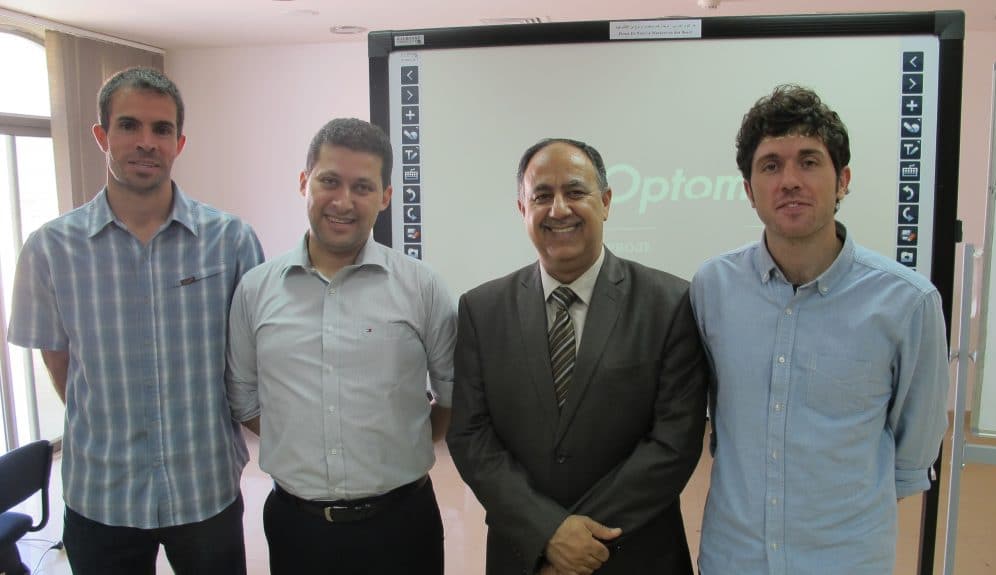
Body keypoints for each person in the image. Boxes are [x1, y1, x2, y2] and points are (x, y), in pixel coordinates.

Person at [7, 67, 263, 574]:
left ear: (179, 143)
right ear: (101, 135)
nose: (146, 142)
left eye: (161, 129)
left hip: (205, 489)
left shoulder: (231, 240)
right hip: (102, 496)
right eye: (129, 125)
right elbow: (59, 362)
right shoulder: (49, 249)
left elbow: (250, 357)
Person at [691, 84, 949, 575]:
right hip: (733, 558)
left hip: (847, 561)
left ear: (843, 180)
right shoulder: (712, 288)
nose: (790, 180)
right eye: (771, 166)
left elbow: (912, 452)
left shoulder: (908, 303)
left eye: (809, 162)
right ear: (749, 190)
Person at [447, 138, 709, 575]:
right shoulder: (482, 310)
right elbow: (471, 437)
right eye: (541, 196)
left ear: (605, 202)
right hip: (526, 557)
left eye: (574, 191)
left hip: (636, 554)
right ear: (522, 209)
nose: (559, 209)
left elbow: (674, 442)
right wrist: (547, 533)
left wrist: (578, 540)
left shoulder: (669, 302)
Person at [225, 117, 456, 575]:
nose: (343, 201)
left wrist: (401, 440)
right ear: (304, 182)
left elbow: (450, 395)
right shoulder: (255, 290)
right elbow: (244, 399)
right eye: (329, 181)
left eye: (362, 187)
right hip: (297, 527)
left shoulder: (422, 287)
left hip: (403, 524)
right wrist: (302, 441)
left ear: (385, 196)